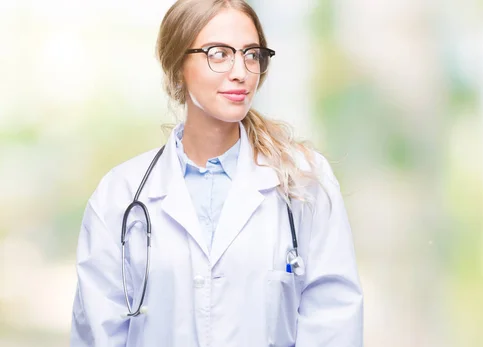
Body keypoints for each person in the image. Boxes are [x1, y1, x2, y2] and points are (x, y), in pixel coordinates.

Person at [70, 0, 363, 346]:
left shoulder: (304, 180)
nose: (241, 71)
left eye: (252, 54)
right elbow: (98, 332)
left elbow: (333, 325)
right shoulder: (119, 195)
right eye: (219, 53)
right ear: (179, 65)